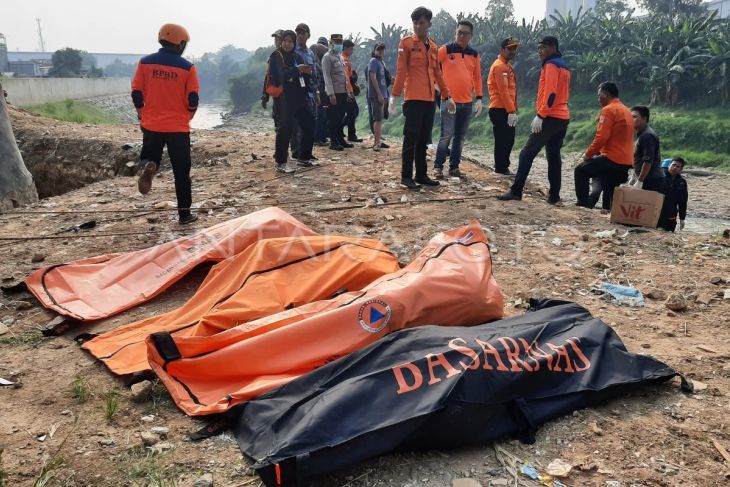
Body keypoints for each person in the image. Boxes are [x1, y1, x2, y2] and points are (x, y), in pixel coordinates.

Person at [133, 23, 200, 225]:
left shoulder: (145, 63)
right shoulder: (188, 68)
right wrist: (188, 117)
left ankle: (149, 165)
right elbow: (193, 100)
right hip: (178, 128)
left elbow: (137, 93)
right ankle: (185, 215)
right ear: (180, 43)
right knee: (182, 173)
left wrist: (141, 114)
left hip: (152, 124)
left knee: (149, 154)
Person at [498, 35, 570, 204]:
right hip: (563, 117)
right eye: (539, 48)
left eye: (542, 48)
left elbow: (551, 93)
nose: (540, 52)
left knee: (526, 153)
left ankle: (516, 190)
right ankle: (554, 196)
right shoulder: (564, 66)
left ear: (552, 47)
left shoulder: (551, 65)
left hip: (550, 117)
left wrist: (541, 115)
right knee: (553, 156)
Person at [390, 6, 455, 190]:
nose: (418, 26)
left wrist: (447, 95)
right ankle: (405, 176)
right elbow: (401, 71)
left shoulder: (433, 46)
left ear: (429, 24)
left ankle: (421, 174)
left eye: (422, 22)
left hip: (428, 99)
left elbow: (438, 74)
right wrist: (394, 95)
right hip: (413, 99)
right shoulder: (406, 43)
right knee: (410, 138)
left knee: (423, 140)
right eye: (415, 23)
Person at [433, 20, 483, 179]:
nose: (461, 36)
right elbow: (432, 69)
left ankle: (454, 167)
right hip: (448, 101)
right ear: (455, 33)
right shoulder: (445, 50)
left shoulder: (474, 54)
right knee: (446, 135)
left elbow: (477, 77)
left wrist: (480, 98)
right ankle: (438, 167)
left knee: (460, 137)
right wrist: (442, 92)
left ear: (471, 36)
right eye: (459, 32)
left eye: (465, 33)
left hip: (467, 103)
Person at [573, 82, 634, 209]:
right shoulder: (627, 110)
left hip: (612, 158)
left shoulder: (608, 110)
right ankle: (610, 211)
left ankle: (582, 205)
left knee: (580, 170)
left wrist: (588, 154)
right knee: (611, 187)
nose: (598, 98)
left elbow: (601, 137)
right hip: (626, 160)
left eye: (599, 95)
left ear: (605, 94)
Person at [269, 30, 315, 173]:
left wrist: (307, 73)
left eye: (290, 41)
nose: (287, 44)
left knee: (309, 124)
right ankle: (281, 162)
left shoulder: (297, 56)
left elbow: (303, 76)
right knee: (285, 129)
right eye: (285, 41)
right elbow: (278, 77)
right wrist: (297, 71)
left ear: (294, 43)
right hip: (284, 98)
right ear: (281, 42)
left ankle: (304, 157)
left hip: (300, 97)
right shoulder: (276, 56)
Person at [487, 37, 521, 176]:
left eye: (515, 49)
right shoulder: (500, 66)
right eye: (510, 49)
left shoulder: (506, 65)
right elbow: (503, 90)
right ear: (502, 50)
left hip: (505, 108)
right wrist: (511, 110)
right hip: (500, 109)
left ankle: (502, 165)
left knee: (508, 139)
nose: (513, 51)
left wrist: (513, 109)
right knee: (503, 139)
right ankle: (501, 168)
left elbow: (512, 91)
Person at [290, 23, 320, 161]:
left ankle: (306, 152)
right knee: (296, 125)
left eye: (303, 33)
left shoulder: (310, 53)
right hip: (295, 93)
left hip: (309, 94)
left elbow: (314, 74)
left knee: (310, 124)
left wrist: (317, 92)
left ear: (308, 35)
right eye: (298, 33)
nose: (300, 35)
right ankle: (297, 152)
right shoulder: (291, 51)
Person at [322, 34, 354, 151]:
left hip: (342, 92)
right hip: (334, 93)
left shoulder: (339, 57)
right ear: (331, 43)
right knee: (333, 118)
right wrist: (331, 94)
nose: (339, 45)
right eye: (337, 42)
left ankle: (340, 139)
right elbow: (327, 76)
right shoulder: (327, 57)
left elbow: (344, 75)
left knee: (340, 117)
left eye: (340, 42)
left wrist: (348, 91)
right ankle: (333, 141)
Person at [630, 105, 665, 192]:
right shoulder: (640, 134)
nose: (631, 119)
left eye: (634, 117)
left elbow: (648, 161)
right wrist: (634, 175)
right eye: (630, 117)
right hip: (646, 178)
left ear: (644, 118)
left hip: (652, 180)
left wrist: (640, 181)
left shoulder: (647, 135)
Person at [366, 42, 389, 151]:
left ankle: (378, 140)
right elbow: (372, 77)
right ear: (374, 51)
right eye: (378, 49)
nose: (380, 51)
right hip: (376, 94)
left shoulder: (382, 62)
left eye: (382, 49)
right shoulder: (374, 61)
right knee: (377, 119)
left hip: (383, 93)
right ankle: (376, 143)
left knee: (380, 119)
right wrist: (379, 94)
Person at [658, 157, 688, 232]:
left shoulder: (682, 182)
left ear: (681, 170)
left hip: (671, 215)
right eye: (673, 165)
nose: (674, 168)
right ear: (669, 165)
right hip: (657, 213)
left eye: (678, 167)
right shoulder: (659, 177)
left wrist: (682, 218)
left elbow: (683, 202)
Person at [311, 37, 330, 146]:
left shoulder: (324, 60)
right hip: (318, 90)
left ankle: (322, 137)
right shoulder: (313, 56)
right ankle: (317, 138)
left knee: (323, 115)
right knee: (319, 114)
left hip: (324, 90)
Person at [342, 39, 362, 143]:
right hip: (347, 90)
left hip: (349, 90)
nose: (352, 51)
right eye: (351, 49)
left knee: (352, 111)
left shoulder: (347, 59)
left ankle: (344, 130)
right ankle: (351, 134)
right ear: (345, 48)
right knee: (352, 111)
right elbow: (347, 77)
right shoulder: (344, 60)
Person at [261, 30, 284, 112]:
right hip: (277, 94)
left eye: (279, 39)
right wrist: (265, 95)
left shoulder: (291, 56)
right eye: (276, 39)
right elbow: (268, 76)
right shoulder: (272, 57)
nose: (277, 42)